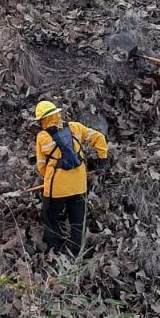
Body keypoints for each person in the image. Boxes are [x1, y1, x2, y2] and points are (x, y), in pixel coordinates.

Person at [34, 101, 108, 256]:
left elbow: (41, 167)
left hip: (56, 189)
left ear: (42, 120)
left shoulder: (42, 137)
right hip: (80, 185)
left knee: (50, 218)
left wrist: (48, 178)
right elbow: (99, 138)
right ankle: (77, 252)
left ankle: (56, 252)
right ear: (57, 114)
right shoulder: (75, 127)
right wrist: (102, 161)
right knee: (77, 221)